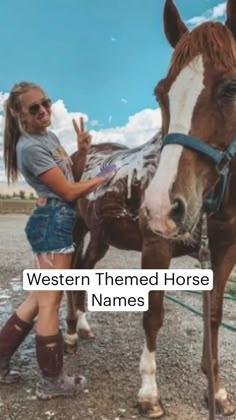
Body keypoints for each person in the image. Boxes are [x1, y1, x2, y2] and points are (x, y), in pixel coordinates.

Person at [1, 81, 115, 400]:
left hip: (55, 219)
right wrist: (102, 177)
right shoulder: (30, 147)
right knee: (50, 301)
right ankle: (51, 381)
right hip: (54, 220)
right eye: (34, 107)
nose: (44, 111)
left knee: (39, 298)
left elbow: (68, 176)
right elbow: (67, 191)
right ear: (17, 112)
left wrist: (82, 148)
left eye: (46, 103)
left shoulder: (48, 138)